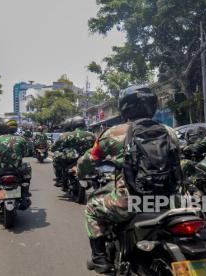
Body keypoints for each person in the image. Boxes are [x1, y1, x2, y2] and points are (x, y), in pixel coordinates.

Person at [77, 85, 182, 273]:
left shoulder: (112, 133)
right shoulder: (169, 131)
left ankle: (99, 258)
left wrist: (81, 172)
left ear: (125, 107)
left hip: (131, 202)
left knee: (92, 207)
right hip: (171, 200)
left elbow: (88, 161)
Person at [0, 119, 31, 209]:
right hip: (17, 170)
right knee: (28, 167)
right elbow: (25, 153)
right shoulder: (21, 139)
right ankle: (25, 192)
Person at [51, 116, 95, 187]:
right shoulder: (92, 135)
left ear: (73, 125)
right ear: (83, 124)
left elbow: (54, 147)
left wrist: (53, 149)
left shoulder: (67, 135)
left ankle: (59, 179)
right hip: (87, 158)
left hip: (72, 159)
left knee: (56, 156)